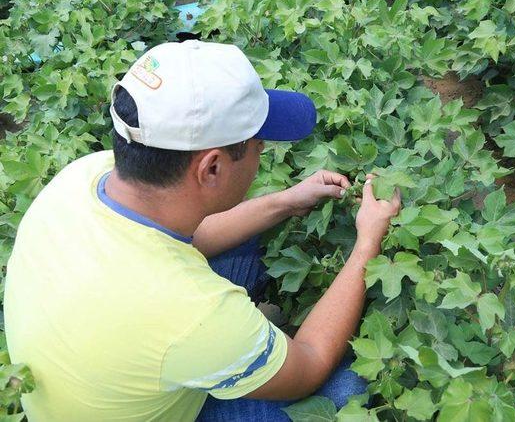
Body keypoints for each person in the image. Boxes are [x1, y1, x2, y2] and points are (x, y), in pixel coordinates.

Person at [4, 40, 401, 422]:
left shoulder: (84, 176)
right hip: (167, 365)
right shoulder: (193, 312)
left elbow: (190, 237)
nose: (263, 151)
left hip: (104, 360)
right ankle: (242, 355)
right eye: (259, 143)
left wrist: (287, 201)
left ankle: (237, 354)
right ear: (211, 167)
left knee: (243, 239)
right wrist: (367, 242)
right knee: (343, 387)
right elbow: (310, 362)